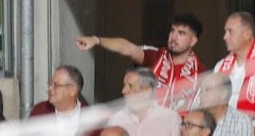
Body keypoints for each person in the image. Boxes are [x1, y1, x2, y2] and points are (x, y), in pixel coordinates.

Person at [77, 14, 205, 113]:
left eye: (181, 33)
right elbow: (128, 48)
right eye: (172, 31)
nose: (173, 37)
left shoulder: (200, 72)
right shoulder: (157, 56)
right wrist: (96, 40)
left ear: (193, 41)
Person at [209, 12, 255, 136]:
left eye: (230, 31)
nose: (225, 37)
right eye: (225, 32)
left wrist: (252, 133)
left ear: (247, 34)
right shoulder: (221, 66)